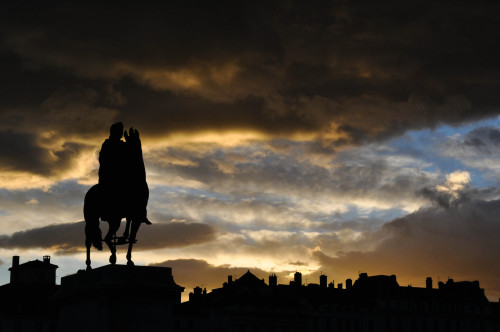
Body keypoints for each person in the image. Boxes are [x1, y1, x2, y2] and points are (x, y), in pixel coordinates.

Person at [98, 122, 127, 221]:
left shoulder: (123, 145)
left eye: (121, 132)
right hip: (109, 174)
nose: (121, 133)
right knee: (109, 189)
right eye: (119, 131)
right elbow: (103, 159)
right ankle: (105, 210)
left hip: (121, 174)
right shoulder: (107, 144)